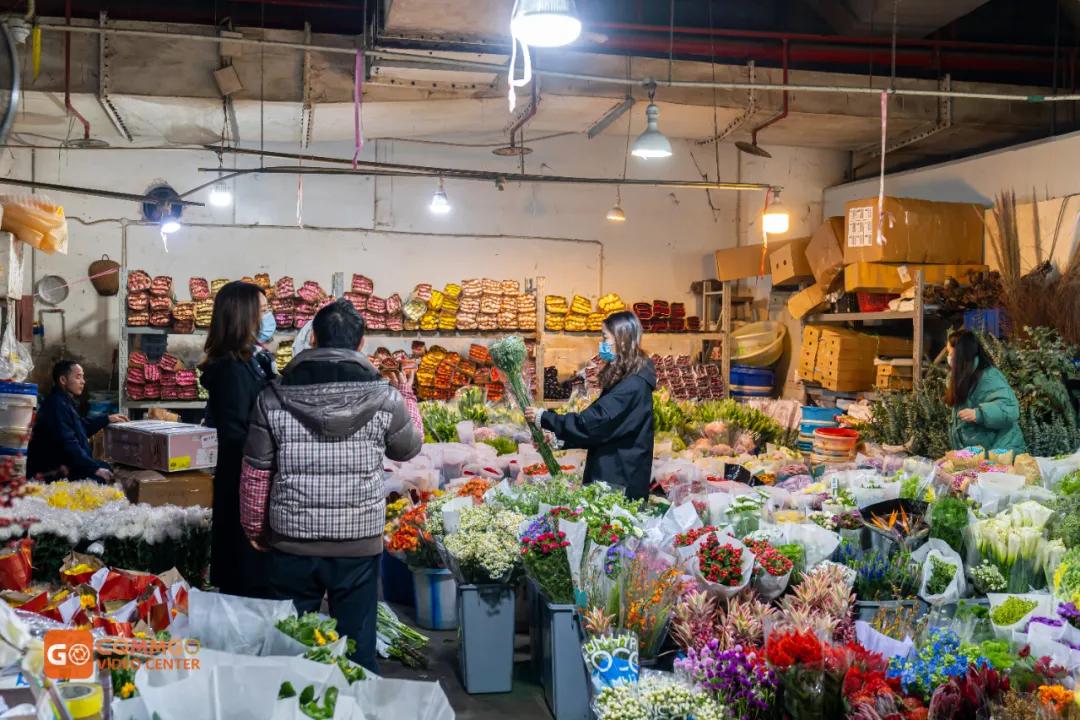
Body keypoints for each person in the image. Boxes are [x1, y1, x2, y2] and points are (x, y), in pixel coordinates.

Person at [239, 299, 423, 673]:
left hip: (291, 541)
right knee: (356, 652)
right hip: (357, 544)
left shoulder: (272, 396)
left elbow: (256, 471)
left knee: (290, 648)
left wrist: (255, 527)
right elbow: (409, 447)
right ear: (361, 343)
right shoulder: (385, 397)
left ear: (315, 338)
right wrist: (407, 394)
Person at [199, 281, 277, 597]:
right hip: (243, 482)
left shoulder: (250, 362)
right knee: (245, 573)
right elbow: (235, 434)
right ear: (244, 316)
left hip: (249, 477)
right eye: (263, 311)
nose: (269, 317)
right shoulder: (231, 369)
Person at [524, 311, 656, 500]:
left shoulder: (632, 385)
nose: (601, 344)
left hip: (619, 481)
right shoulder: (629, 378)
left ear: (623, 340)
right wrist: (560, 440)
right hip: (616, 472)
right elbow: (605, 430)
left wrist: (545, 418)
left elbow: (593, 422)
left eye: (605, 337)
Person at [27, 361, 128, 481]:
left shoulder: (64, 401)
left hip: (67, 465)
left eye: (83, 377)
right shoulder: (56, 406)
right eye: (78, 377)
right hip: (55, 471)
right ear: (63, 380)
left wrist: (107, 419)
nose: (83, 381)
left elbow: (80, 427)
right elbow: (68, 444)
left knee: (109, 468)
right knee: (103, 475)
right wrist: (94, 468)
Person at [946, 329, 1026, 454]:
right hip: (981, 456)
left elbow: (1010, 409)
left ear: (961, 354)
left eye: (950, 352)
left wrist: (979, 414)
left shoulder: (989, 376)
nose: (949, 357)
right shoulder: (964, 378)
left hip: (1001, 453)